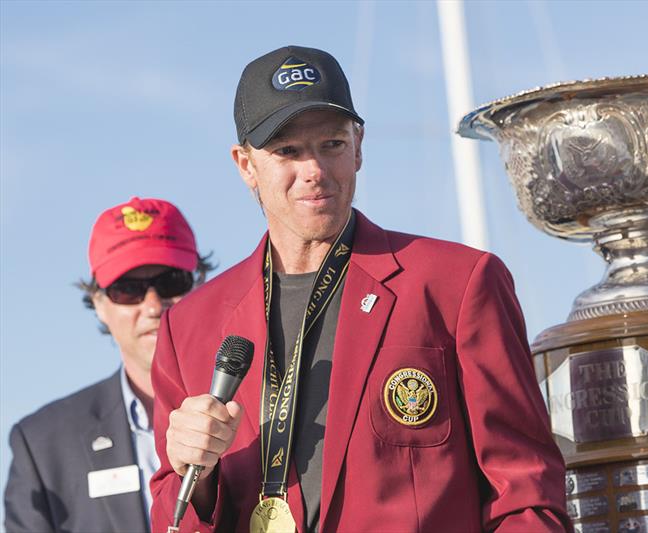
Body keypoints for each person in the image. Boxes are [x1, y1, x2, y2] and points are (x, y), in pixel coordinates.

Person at [150, 46, 570, 533]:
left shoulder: (456, 283)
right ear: (246, 165)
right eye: (287, 151)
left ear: (359, 146)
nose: (314, 170)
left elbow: (525, 492)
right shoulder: (187, 326)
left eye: (331, 144)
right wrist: (194, 474)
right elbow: (170, 520)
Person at [4, 197, 213, 533]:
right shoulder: (43, 443)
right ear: (98, 303)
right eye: (128, 290)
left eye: (171, 281)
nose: (153, 305)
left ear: (200, 284)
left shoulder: (262, 408)